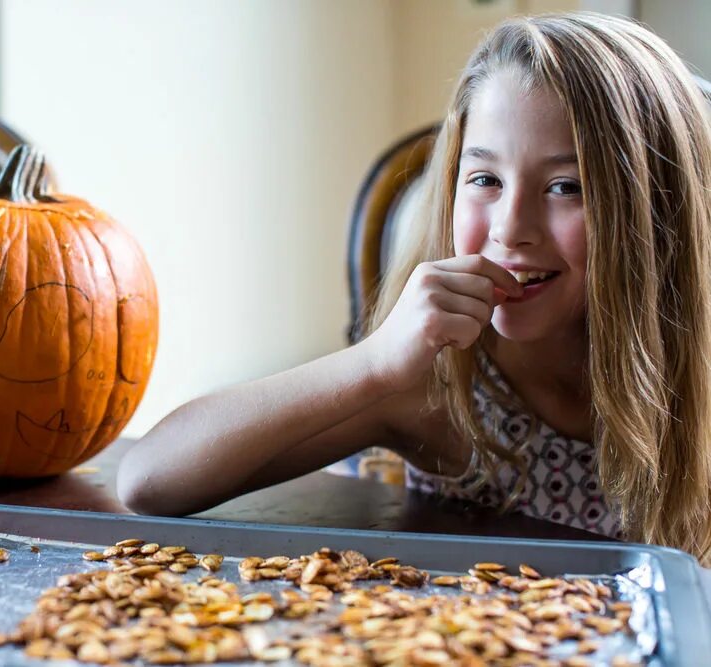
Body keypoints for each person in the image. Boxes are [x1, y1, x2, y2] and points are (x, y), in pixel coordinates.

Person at [117, 12, 711, 565]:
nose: (509, 227)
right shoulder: (440, 384)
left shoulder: (697, 386)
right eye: (484, 179)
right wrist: (374, 364)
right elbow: (148, 481)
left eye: (565, 187)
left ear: (660, 210)